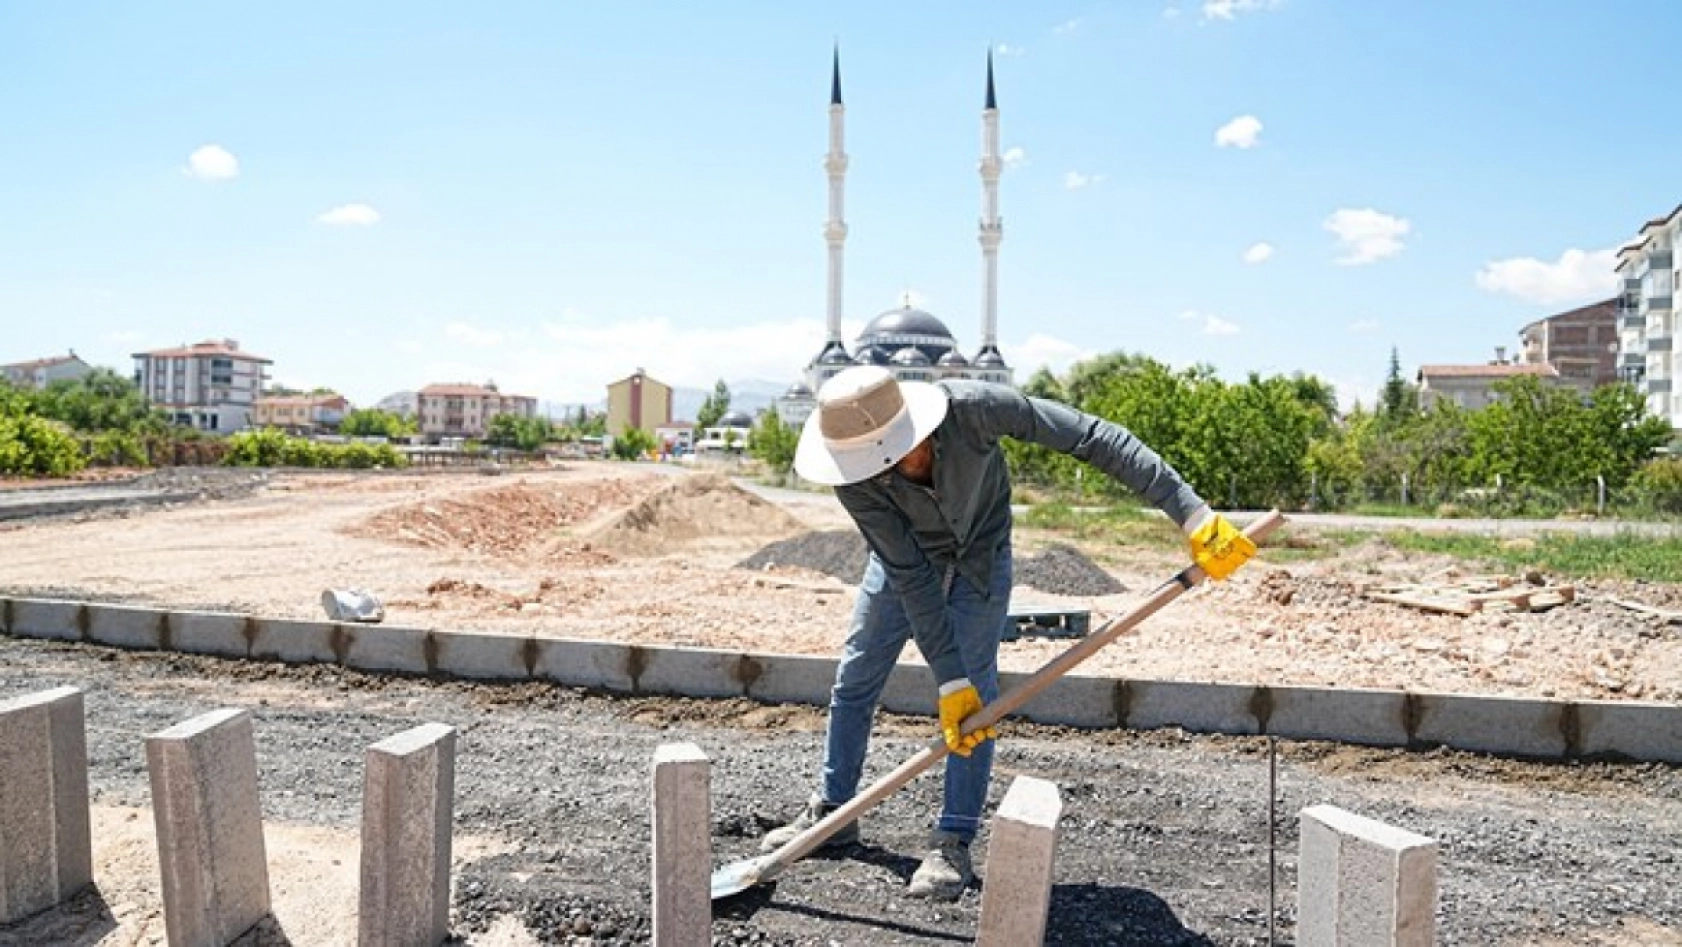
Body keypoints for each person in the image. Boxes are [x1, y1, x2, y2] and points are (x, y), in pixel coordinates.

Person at [761, 364, 1256, 900]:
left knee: (977, 699)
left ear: (913, 429)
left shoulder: (976, 409)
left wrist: (1191, 513)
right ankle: (834, 812)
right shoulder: (852, 478)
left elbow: (1093, 437)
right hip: (904, 563)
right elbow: (912, 577)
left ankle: (953, 838)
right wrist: (947, 678)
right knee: (856, 676)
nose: (886, 469)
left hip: (980, 556)